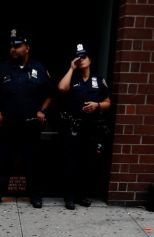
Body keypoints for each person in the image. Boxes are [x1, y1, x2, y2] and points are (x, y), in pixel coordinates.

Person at [0, 29, 52, 208]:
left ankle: (35, 196)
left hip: (30, 126)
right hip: (7, 125)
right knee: (2, 162)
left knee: (32, 163)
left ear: (27, 47)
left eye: (17, 46)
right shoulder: (2, 68)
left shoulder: (39, 68)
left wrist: (42, 110)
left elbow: (49, 94)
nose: (13, 49)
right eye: (11, 47)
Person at [57, 43, 112, 210]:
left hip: (92, 128)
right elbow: (61, 88)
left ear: (90, 59)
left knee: (88, 163)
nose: (81, 60)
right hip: (74, 127)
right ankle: (69, 197)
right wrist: (71, 68)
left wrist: (97, 105)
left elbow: (108, 102)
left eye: (84, 57)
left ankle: (83, 195)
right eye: (78, 57)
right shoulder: (72, 78)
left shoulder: (98, 79)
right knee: (71, 162)